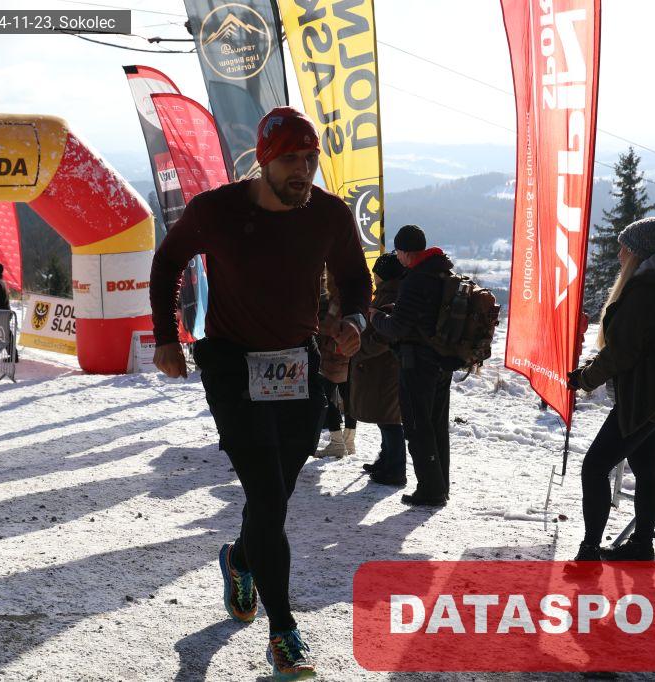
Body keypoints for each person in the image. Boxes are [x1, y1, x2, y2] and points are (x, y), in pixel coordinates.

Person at [149, 106, 371, 679]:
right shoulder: (217, 210)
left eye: (311, 159)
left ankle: (240, 557)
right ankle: (283, 633)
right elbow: (168, 261)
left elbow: (355, 279)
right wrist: (167, 337)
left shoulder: (327, 214)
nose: (304, 171)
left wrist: (356, 320)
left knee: (277, 493)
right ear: (265, 161)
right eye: (291, 159)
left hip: (296, 364)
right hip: (230, 364)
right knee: (268, 497)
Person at [568, 218, 655, 562]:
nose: (619, 254)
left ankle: (590, 550)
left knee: (594, 466)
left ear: (638, 252)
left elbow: (622, 352)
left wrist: (584, 379)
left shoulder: (645, 292)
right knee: (645, 468)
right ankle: (642, 545)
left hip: (640, 399)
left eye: (624, 248)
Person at [370, 225, 459, 507]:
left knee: (418, 426)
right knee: (436, 425)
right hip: (442, 360)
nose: (397, 257)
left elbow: (396, 328)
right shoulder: (442, 271)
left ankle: (430, 490)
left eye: (398, 252)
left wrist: (375, 317)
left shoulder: (416, 278)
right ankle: (440, 484)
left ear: (407, 252)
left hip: (418, 363)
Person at [354, 253, 408, 486]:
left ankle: (395, 469)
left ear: (382, 275)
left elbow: (384, 336)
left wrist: (359, 348)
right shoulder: (393, 293)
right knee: (385, 418)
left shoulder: (391, 296)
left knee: (390, 420)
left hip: (387, 369)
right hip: (384, 368)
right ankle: (385, 460)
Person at [315, 274, 356, 458]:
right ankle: (349, 441)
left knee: (325, 397)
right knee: (348, 397)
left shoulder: (336, 301)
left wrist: (318, 324)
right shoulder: (353, 300)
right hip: (349, 354)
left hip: (333, 357)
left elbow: (328, 326)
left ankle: (337, 442)